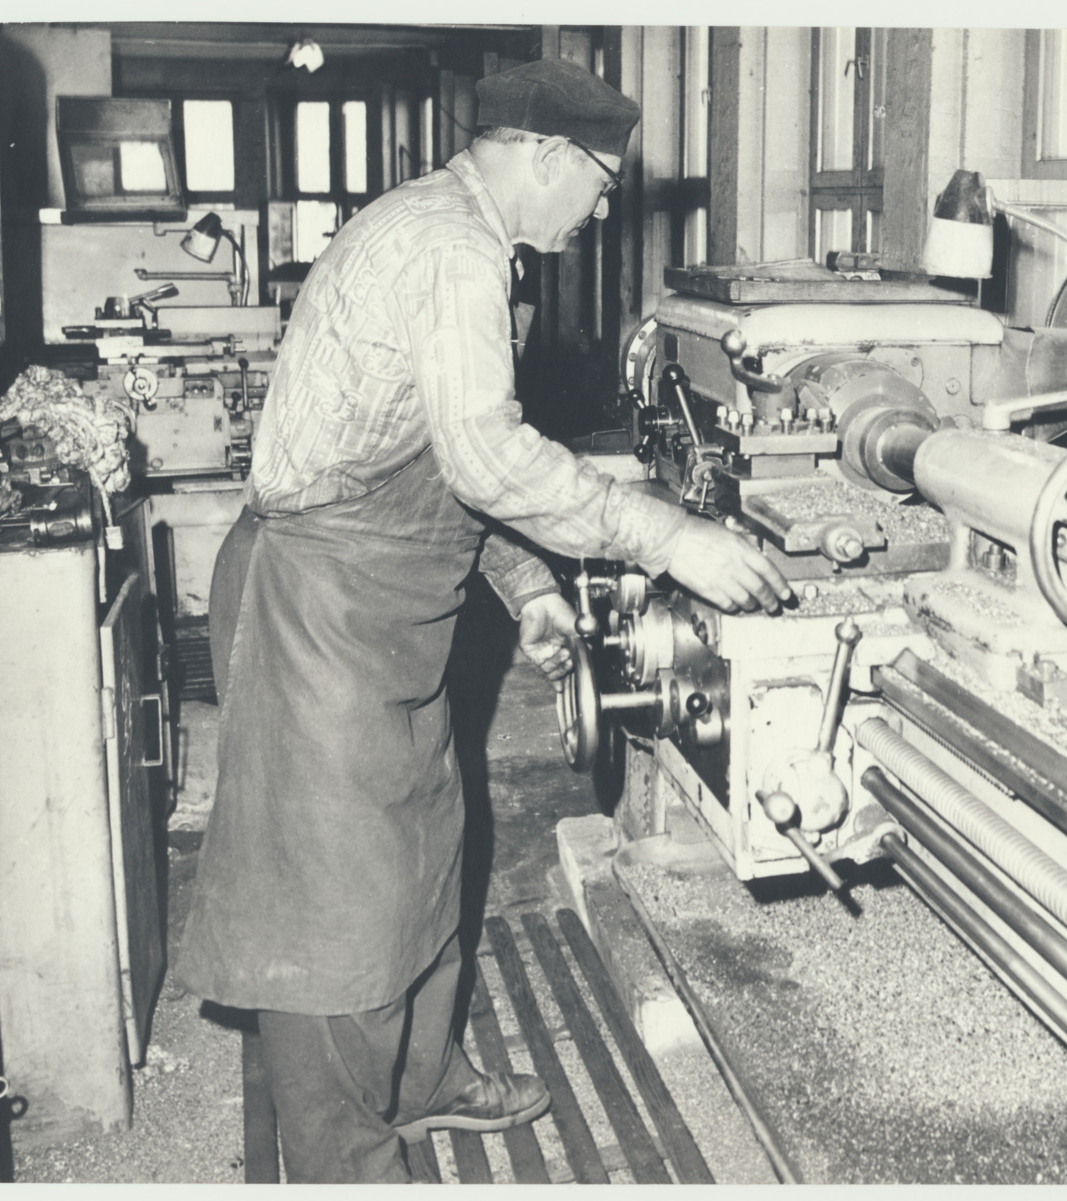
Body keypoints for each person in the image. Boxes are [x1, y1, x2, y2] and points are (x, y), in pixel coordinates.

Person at [175, 59, 791, 1183]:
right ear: (549, 156)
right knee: (332, 902)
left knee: (425, 844)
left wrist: (530, 586)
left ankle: (422, 1080)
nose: (603, 207)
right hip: (321, 597)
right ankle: (340, 1158)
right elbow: (487, 456)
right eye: (601, 183)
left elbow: (441, 461)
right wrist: (671, 536)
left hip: (391, 594)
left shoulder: (461, 236)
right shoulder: (448, 248)